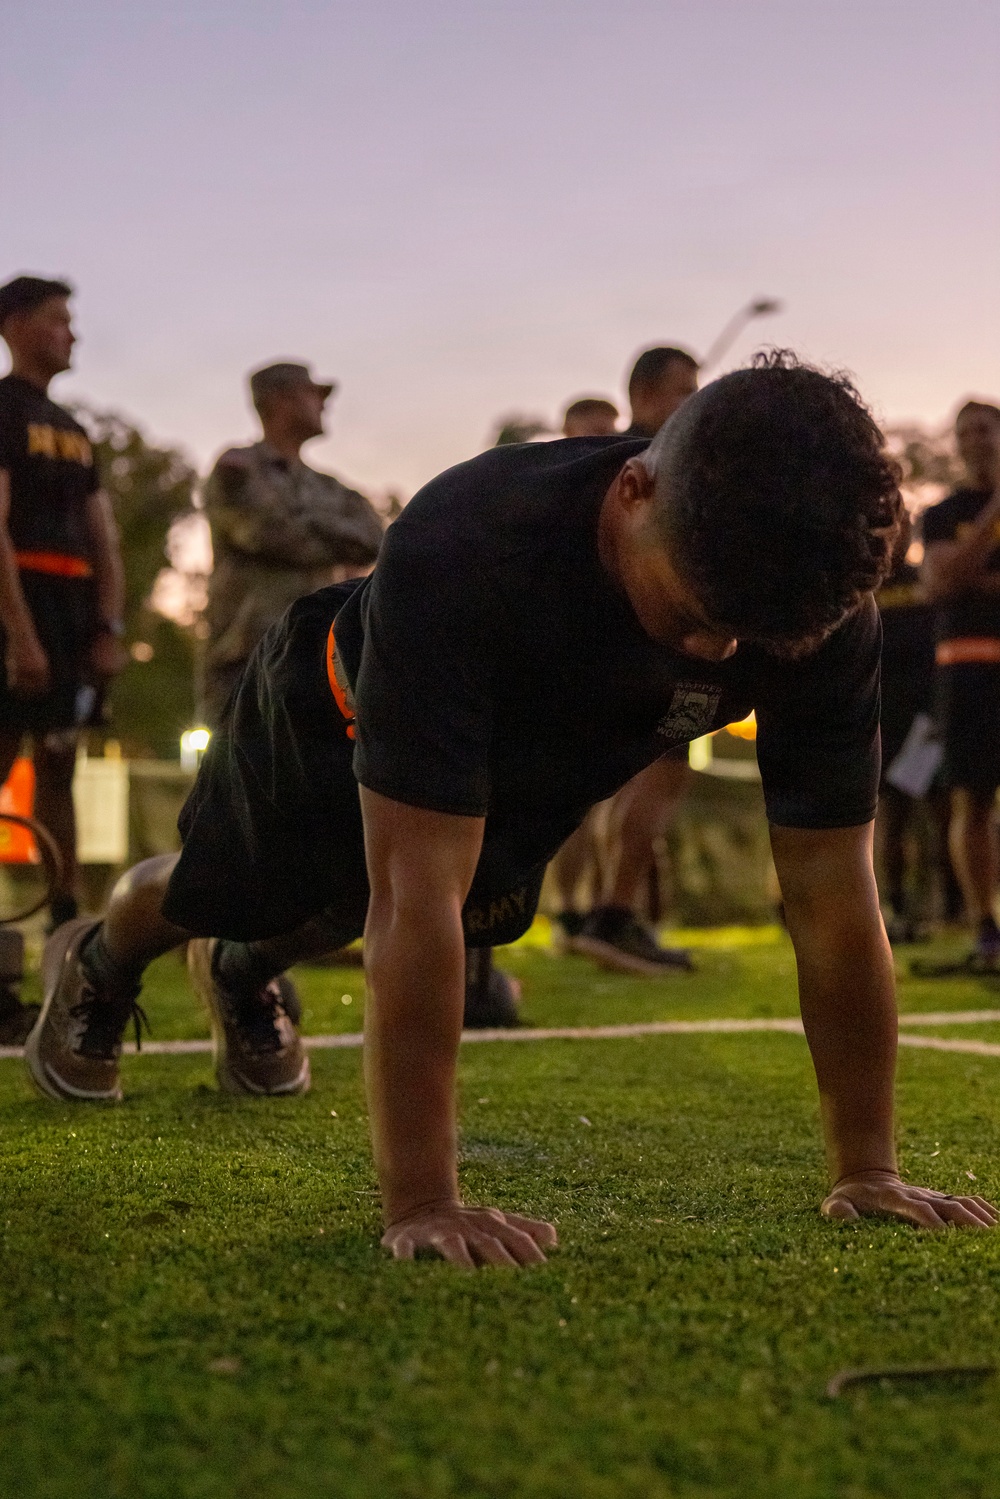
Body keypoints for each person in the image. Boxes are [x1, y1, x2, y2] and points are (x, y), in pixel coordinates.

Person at [27, 353, 996, 1263]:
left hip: (538, 750)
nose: (712, 653)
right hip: (327, 712)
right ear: (632, 492)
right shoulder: (469, 542)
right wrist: (422, 1199)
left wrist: (867, 1165)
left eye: (742, 635)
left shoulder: (810, 602)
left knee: (345, 913)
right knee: (233, 890)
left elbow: (832, 890)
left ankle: (241, 975)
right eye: (696, 615)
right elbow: (412, 898)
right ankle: (102, 960)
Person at [0, 275, 126, 1042]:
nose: (71, 333)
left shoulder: (74, 427)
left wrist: (109, 623)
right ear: (15, 326)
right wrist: (18, 632)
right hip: (20, 601)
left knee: (59, 763)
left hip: (74, 613)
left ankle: (66, 925)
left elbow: (104, 532)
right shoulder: (2, 408)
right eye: (56, 320)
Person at [558, 344, 700, 972]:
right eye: (684, 389)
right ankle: (612, 914)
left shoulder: (612, 462)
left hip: (616, 648)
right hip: (654, 648)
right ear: (645, 395)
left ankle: (601, 913)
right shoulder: (652, 463)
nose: (694, 402)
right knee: (661, 773)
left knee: (618, 783)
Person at [201, 361, 383, 728]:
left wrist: (302, 522)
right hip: (248, 655)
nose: (324, 404)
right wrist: (332, 539)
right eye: (313, 394)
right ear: (280, 401)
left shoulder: (329, 486)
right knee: (238, 776)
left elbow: (373, 537)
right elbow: (266, 533)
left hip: (321, 658)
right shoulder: (237, 467)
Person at [922, 400, 1000, 968]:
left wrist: (973, 572)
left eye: (987, 429)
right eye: (965, 432)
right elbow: (943, 583)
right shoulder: (943, 512)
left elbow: (965, 577)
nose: (976, 440)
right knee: (971, 798)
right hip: (968, 671)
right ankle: (986, 926)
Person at [874, 515, 938, 942]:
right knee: (890, 819)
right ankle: (893, 905)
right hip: (881, 722)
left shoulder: (926, 584)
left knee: (940, 814)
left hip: (928, 722)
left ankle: (945, 905)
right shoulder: (864, 587)